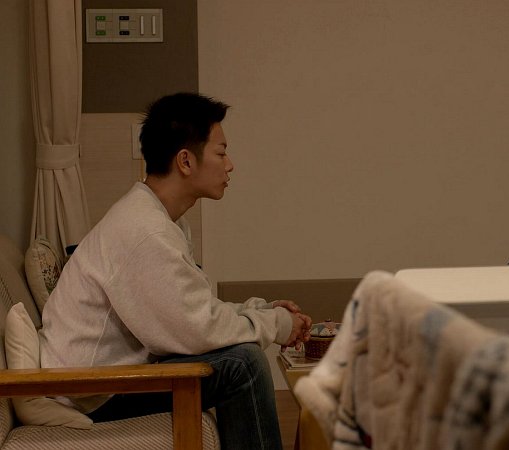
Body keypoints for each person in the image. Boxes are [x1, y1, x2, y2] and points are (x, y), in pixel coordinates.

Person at [39, 92, 311, 449]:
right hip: (90, 392)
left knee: (240, 356)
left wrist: (260, 310)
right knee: (243, 364)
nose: (230, 165)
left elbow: (191, 310)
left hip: (104, 380)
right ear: (185, 161)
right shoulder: (145, 231)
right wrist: (275, 324)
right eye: (221, 153)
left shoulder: (160, 219)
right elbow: (197, 330)